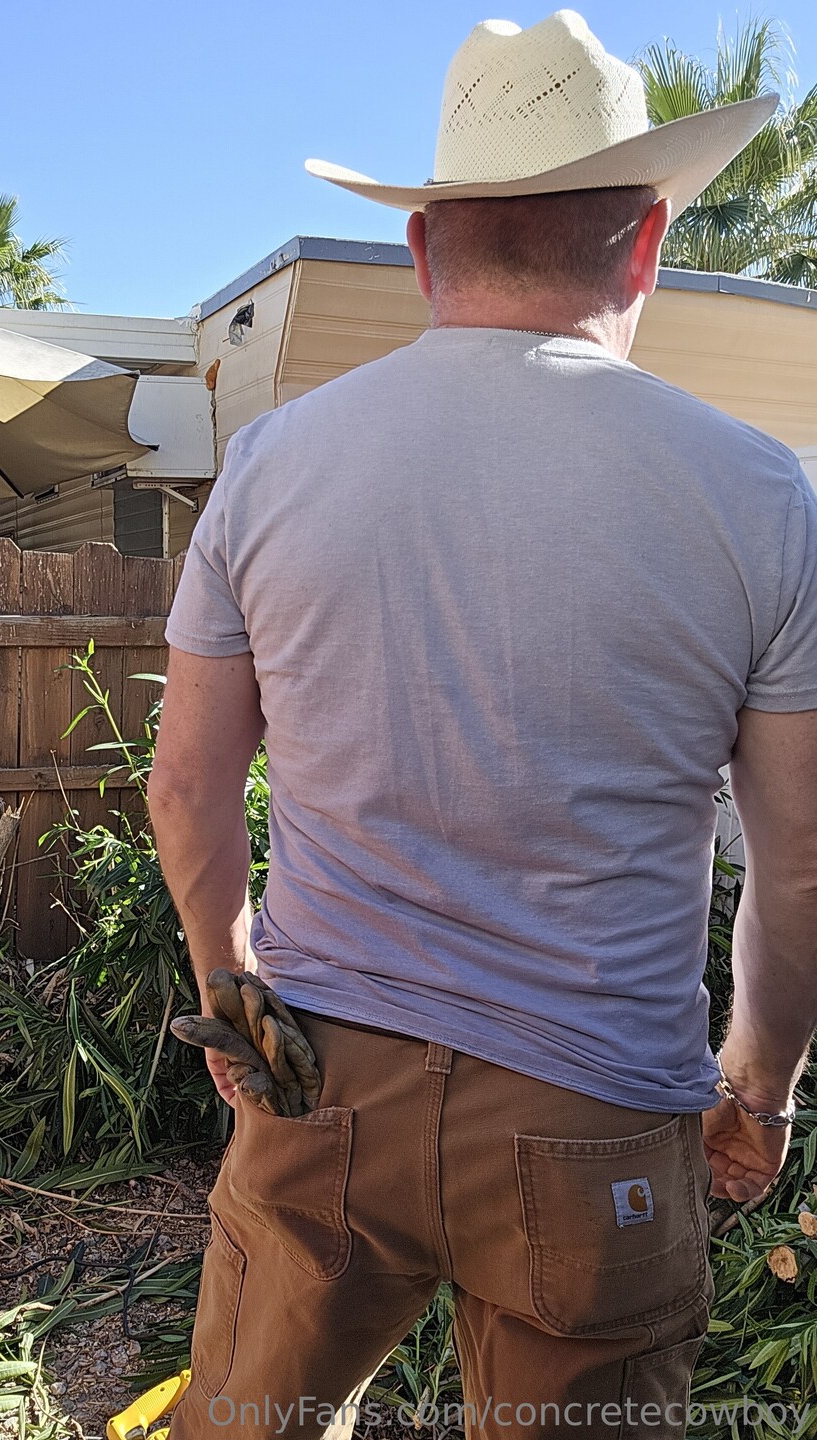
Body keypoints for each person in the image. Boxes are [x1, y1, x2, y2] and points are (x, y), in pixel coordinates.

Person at [148, 11, 817, 1439]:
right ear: (644, 246)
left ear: (421, 246)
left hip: (319, 1085)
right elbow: (802, 859)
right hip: (597, 1122)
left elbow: (188, 785)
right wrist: (757, 1088)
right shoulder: (762, 498)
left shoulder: (270, 466)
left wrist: (231, 983)